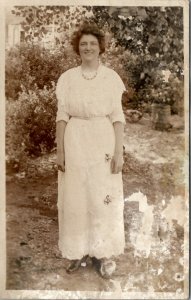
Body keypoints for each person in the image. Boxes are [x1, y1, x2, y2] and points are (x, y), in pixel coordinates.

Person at [56, 22, 126, 279]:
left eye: (92, 44)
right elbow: (61, 115)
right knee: (77, 197)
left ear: (100, 48)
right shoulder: (67, 78)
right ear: (78, 47)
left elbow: (118, 116)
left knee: (102, 196)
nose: (88, 48)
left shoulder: (111, 78)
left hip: (103, 142)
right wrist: (60, 151)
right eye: (83, 44)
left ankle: (104, 253)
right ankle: (79, 251)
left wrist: (119, 152)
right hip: (75, 142)